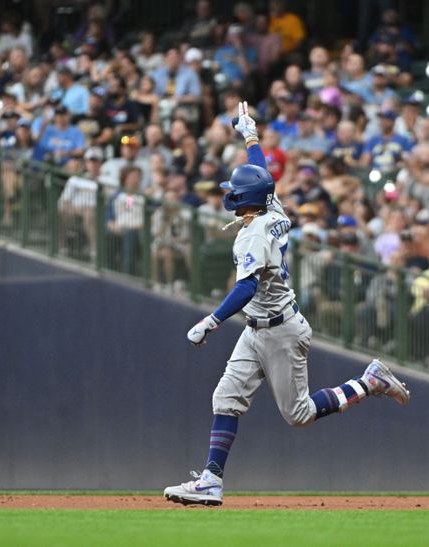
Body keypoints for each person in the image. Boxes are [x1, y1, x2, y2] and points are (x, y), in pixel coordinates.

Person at [163, 102, 410, 507]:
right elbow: (265, 177)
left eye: (233, 191)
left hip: (280, 330)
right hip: (258, 327)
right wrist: (250, 137)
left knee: (299, 415)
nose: (229, 194)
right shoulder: (270, 206)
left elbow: (244, 289)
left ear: (244, 199)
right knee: (225, 397)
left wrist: (211, 321)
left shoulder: (253, 234)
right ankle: (211, 480)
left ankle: (369, 381)